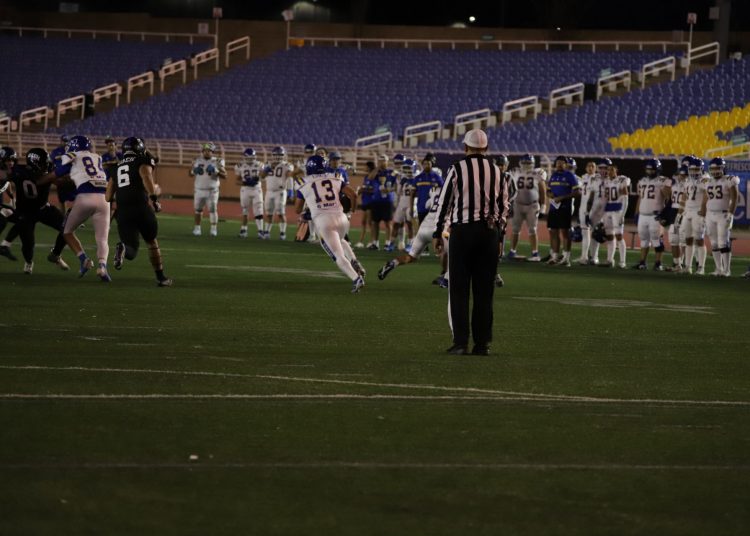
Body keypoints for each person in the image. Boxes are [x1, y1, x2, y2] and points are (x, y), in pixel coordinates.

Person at [431, 129, 510, 356]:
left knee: (459, 290)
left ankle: (461, 343)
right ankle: (482, 344)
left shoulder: (457, 168)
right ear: (486, 148)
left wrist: (437, 232)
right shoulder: (498, 172)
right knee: (484, 291)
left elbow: (444, 202)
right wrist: (499, 236)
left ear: (465, 147)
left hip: (463, 232)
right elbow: (504, 208)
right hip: (489, 234)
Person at [107, 137, 173, 287]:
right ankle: (161, 278)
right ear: (140, 148)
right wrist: (154, 198)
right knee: (151, 241)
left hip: (123, 211)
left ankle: (123, 248)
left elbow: (108, 197)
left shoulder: (115, 167)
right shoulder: (142, 160)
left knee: (131, 250)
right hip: (141, 207)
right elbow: (146, 176)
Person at [294, 155, 366, 293]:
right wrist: (352, 211)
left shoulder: (303, 182)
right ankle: (354, 260)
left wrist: (309, 210)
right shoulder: (335, 176)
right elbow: (353, 195)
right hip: (342, 219)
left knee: (338, 256)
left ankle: (356, 279)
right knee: (341, 240)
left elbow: (297, 209)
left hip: (324, 222)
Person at [57, 135, 112, 281]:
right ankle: (102, 267)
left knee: (67, 232)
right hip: (104, 199)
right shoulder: (97, 157)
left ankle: (84, 260)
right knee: (102, 239)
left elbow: (58, 172)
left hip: (85, 197)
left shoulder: (72, 155)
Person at [378, 176, 446, 283]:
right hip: (436, 229)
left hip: (423, 228)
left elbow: (427, 205)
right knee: (444, 253)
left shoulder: (434, 192)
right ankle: (444, 277)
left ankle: (393, 263)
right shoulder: (451, 194)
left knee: (411, 257)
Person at [701, 157, 739, 277]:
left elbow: (735, 198)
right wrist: (703, 214)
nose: (715, 171)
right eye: (713, 169)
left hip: (723, 214)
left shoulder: (729, 180)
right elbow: (705, 199)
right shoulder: (707, 181)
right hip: (710, 214)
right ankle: (718, 269)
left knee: (723, 242)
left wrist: (731, 214)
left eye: (717, 168)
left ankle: (726, 270)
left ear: (723, 168)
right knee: (714, 243)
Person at [507, 153, 546, 261]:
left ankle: (535, 253)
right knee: (515, 229)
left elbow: (542, 190)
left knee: (532, 229)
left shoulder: (538, 173)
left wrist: (543, 206)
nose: (526, 165)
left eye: (528, 163)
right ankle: (512, 251)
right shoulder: (515, 171)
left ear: (533, 163)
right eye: (524, 163)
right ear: (520, 163)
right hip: (517, 204)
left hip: (532, 205)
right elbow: (508, 187)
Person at [633, 159, 669, 270]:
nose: (649, 171)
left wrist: (665, 214)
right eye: (648, 169)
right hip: (643, 214)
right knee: (643, 239)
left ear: (657, 170)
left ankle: (658, 263)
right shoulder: (642, 181)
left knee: (656, 239)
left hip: (655, 215)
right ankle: (642, 262)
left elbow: (669, 198)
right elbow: (640, 197)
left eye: (651, 169)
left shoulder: (663, 181)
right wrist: (636, 213)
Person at [545, 155, 580, 266]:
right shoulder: (553, 176)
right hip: (553, 207)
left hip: (565, 207)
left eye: (562, 163)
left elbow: (577, 192)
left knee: (565, 232)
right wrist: (550, 194)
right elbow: (548, 191)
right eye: (558, 163)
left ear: (565, 164)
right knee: (553, 232)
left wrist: (562, 197)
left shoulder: (570, 175)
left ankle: (566, 258)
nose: (559, 164)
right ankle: (555, 257)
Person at [678, 156, 708, 275]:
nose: (694, 172)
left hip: (698, 212)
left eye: (696, 169)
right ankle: (688, 266)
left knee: (699, 240)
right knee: (688, 239)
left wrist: (703, 211)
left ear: (701, 169)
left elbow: (707, 196)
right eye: (692, 169)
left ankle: (701, 267)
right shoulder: (688, 181)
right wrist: (681, 212)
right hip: (688, 211)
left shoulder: (705, 180)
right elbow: (685, 196)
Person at [190, 142, 226, 237]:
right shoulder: (197, 160)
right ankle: (197, 228)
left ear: (212, 152)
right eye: (205, 150)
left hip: (212, 190)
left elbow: (225, 175)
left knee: (213, 209)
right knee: (198, 210)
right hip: (199, 189)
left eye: (209, 151)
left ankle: (213, 229)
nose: (207, 152)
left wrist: (216, 171)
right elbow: (190, 173)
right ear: (202, 151)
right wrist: (194, 171)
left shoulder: (218, 161)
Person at [600, 162, 631, 268]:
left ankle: (622, 261)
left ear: (616, 171)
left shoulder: (621, 180)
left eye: (612, 170)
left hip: (617, 210)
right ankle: (610, 260)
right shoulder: (605, 181)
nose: (610, 172)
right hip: (607, 210)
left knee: (619, 236)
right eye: (608, 170)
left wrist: (623, 214)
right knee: (609, 236)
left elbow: (625, 198)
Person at [262, 146, 294, 240]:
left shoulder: (287, 165)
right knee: (269, 213)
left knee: (280, 213)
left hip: (280, 192)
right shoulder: (267, 164)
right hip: (269, 191)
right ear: (272, 155)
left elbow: (290, 177)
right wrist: (266, 169)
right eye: (276, 155)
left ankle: (282, 233)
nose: (278, 157)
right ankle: (267, 232)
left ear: (283, 155)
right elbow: (262, 176)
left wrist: (290, 191)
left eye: (280, 155)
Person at [235, 148, 265, 239]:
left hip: (256, 189)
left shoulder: (260, 165)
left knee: (259, 209)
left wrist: (258, 179)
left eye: (252, 157)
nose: (251, 159)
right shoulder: (239, 165)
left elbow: (264, 178)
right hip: (245, 189)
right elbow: (237, 181)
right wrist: (246, 182)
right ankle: (244, 230)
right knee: (245, 210)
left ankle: (260, 231)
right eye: (249, 158)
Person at [367, 154, 396, 250]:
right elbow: (370, 178)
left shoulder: (391, 172)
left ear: (387, 162)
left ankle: (388, 243)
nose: (382, 162)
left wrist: (389, 190)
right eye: (380, 161)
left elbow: (396, 186)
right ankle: (375, 243)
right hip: (376, 200)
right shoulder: (376, 172)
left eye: (383, 161)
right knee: (375, 222)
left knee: (388, 223)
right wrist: (377, 168)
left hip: (387, 200)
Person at [387, 158, 416, 252]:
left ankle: (410, 244)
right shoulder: (402, 179)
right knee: (396, 223)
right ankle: (391, 243)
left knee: (410, 224)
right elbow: (398, 192)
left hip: (411, 203)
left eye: (409, 168)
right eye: (405, 168)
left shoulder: (417, 178)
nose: (407, 170)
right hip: (402, 203)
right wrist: (397, 202)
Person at [664, 164, 687, 271]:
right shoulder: (674, 184)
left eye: (684, 175)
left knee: (684, 240)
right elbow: (668, 197)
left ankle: (687, 264)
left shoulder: (690, 185)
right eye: (680, 175)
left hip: (685, 212)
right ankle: (677, 264)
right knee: (673, 239)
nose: (682, 177)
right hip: (674, 212)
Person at [575, 161, 597, 264]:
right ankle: (585, 256)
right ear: (585, 168)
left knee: (595, 232)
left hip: (593, 207)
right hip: (583, 207)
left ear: (595, 168)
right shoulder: (583, 178)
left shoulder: (597, 178)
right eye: (589, 166)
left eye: (592, 166)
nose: (590, 168)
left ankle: (593, 257)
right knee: (585, 232)